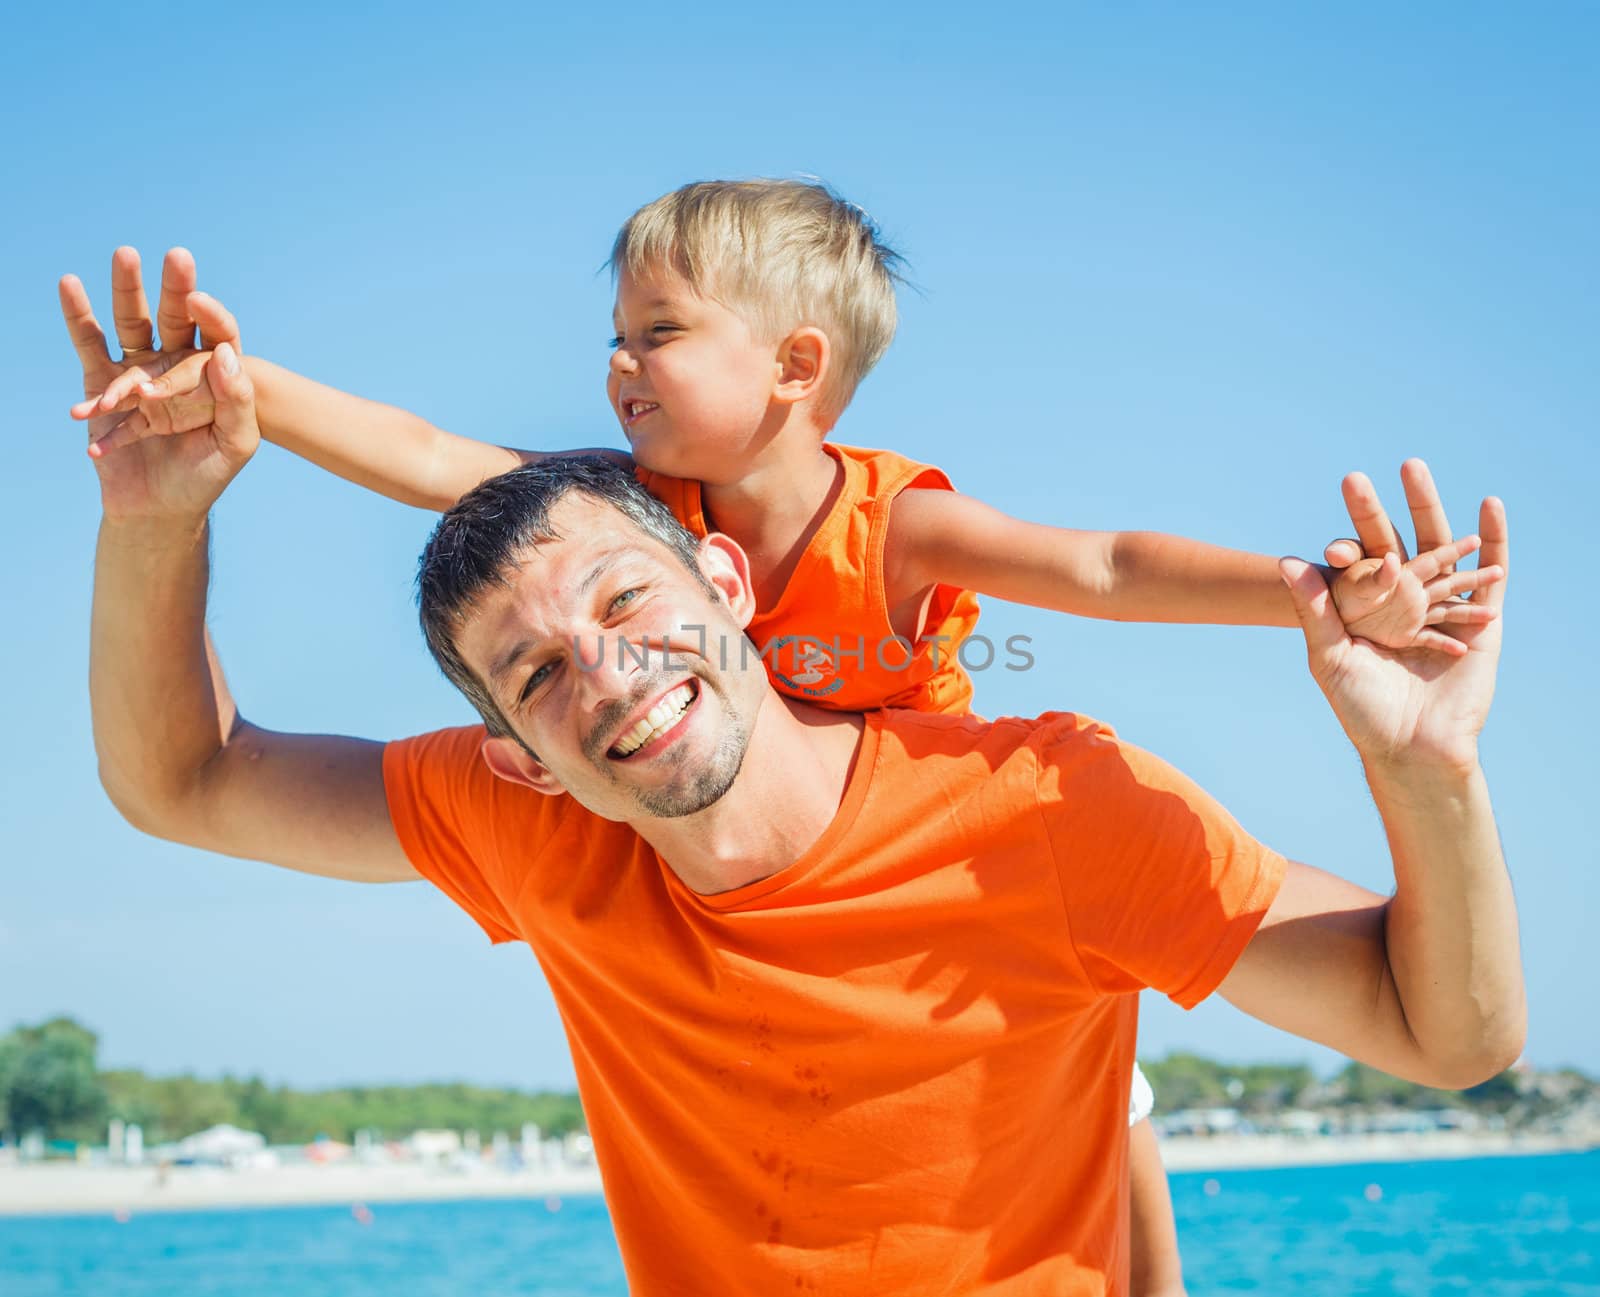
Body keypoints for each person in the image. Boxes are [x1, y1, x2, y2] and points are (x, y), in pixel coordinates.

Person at [70, 185, 1496, 1292]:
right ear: (511, 746)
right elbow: (413, 476)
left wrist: (1318, 615)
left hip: (996, 892)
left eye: (661, 336)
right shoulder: (613, 567)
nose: (611, 671)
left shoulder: (994, 713)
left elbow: (1105, 565)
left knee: (1107, 1088)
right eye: (537, 674)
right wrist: (200, 450)